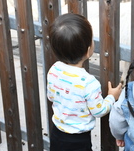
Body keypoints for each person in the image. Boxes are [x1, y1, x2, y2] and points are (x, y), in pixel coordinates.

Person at [47, 13, 122, 151]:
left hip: (57, 132)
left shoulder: (54, 70)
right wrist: (112, 97)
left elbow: (51, 96)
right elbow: (98, 111)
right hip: (78, 140)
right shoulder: (89, 83)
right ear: (88, 51)